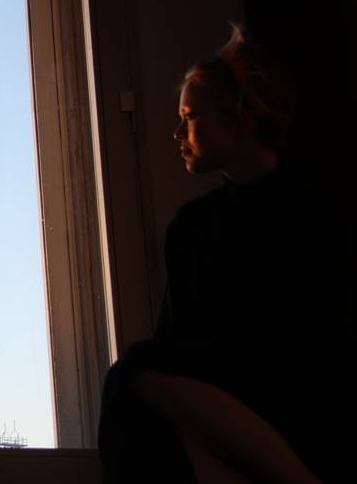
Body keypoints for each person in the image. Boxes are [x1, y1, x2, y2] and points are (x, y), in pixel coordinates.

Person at [98, 25, 354, 483]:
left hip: (297, 408)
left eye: (191, 116)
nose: (177, 132)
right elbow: (175, 344)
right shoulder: (191, 228)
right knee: (131, 379)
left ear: (240, 119)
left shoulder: (315, 220)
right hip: (223, 411)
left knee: (131, 374)